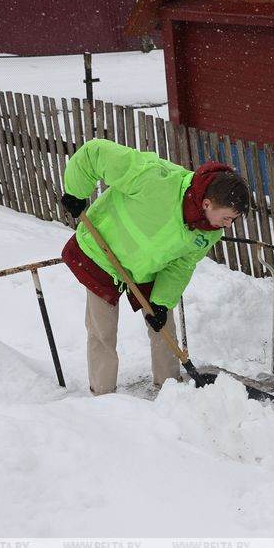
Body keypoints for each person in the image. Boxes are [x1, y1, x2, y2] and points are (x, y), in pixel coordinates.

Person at [59, 139, 250, 395]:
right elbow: (95, 153)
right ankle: (103, 397)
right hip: (103, 255)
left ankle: (170, 389)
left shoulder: (209, 231)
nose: (227, 225)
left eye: (232, 220)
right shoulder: (154, 178)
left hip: (148, 268)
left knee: (163, 326)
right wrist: (76, 192)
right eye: (226, 217)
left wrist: (161, 301)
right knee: (102, 331)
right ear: (207, 203)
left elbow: (182, 265)